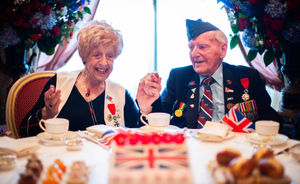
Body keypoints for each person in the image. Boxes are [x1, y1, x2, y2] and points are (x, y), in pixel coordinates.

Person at [136, 19, 282, 129]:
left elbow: (269, 120)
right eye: (191, 47)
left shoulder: (247, 77)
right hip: (190, 151)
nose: (194, 54)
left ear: (223, 50)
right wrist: (147, 107)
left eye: (202, 47)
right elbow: (162, 121)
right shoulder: (178, 77)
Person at [20, 20, 140, 137]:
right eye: (97, 55)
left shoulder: (120, 93)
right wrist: (47, 113)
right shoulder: (60, 82)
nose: (104, 62)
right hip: (61, 155)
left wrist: (145, 106)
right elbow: (24, 131)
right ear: (84, 56)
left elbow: (138, 133)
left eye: (110, 56)